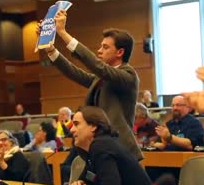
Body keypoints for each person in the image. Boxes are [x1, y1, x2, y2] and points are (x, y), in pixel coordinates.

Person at [39, 10, 143, 160]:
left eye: (105, 47)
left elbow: (98, 66)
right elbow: (75, 73)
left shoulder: (128, 75)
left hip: (119, 148)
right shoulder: (102, 77)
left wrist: (62, 32)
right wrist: (51, 49)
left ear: (120, 52)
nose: (99, 51)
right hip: (97, 143)